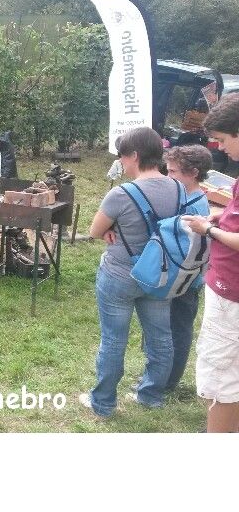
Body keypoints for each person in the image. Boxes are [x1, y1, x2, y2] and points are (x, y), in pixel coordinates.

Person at [82, 127, 181, 417]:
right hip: (159, 273)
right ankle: (150, 395)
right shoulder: (177, 187)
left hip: (120, 274)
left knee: (114, 339)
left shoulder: (121, 194)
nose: (122, 163)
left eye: (123, 157)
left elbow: (94, 230)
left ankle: (103, 403)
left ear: (135, 156)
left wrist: (113, 227)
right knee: (161, 337)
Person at [183, 92, 239, 432]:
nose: (220, 148)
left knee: (220, 378)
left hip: (231, 294)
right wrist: (221, 216)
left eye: (222, 139)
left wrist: (208, 229)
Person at [162, 145, 212, 392]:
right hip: (181, 279)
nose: (168, 176)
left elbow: (190, 253)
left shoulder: (194, 208)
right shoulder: (188, 197)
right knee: (172, 326)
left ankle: (169, 382)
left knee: (178, 329)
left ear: (193, 172)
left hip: (186, 281)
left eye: (172, 172)